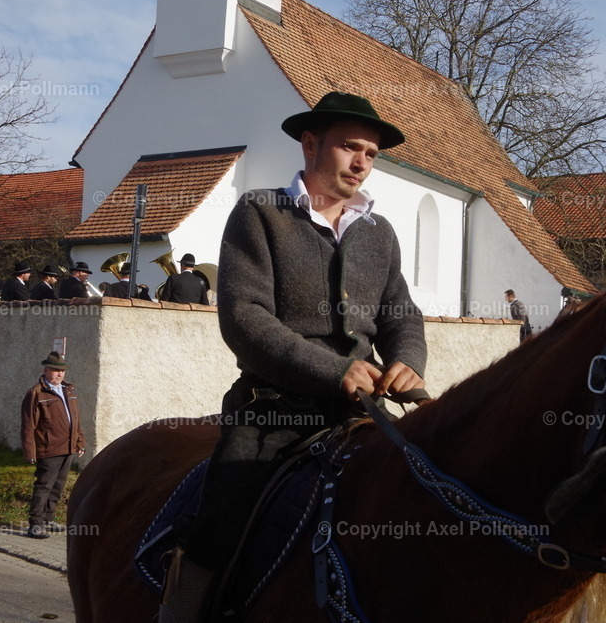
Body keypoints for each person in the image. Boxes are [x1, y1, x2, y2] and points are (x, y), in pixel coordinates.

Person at [162, 92, 428, 620]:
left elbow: (401, 313)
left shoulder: (380, 232)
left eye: (371, 154)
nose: (361, 163)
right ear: (310, 144)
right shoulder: (261, 212)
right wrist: (335, 369)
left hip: (361, 413)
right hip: (272, 410)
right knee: (221, 516)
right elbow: (245, 318)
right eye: (350, 147)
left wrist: (408, 359)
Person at [20, 351, 85, 539]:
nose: (59, 375)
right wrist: (30, 453)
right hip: (49, 449)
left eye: (62, 371)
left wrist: (80, 441)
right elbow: (28, 425)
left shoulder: (68, 391)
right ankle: (35, 524)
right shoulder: (36, 393)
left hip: (68, 447)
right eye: (55, 371)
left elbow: (76, 419)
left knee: (58, 486)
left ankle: (49, 519)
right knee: (44, 486)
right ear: (46, 370)